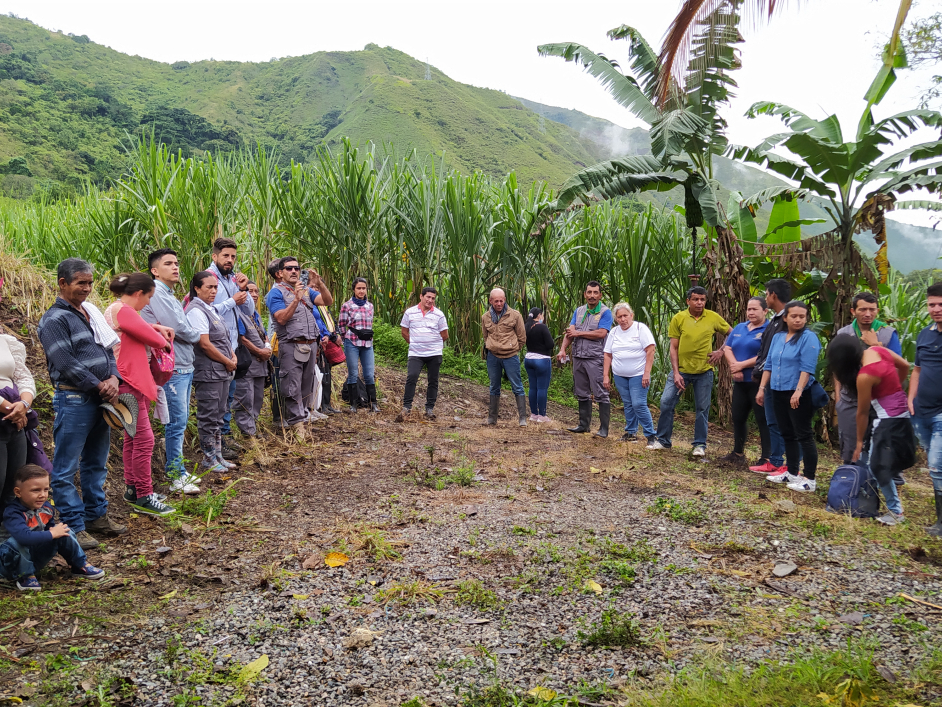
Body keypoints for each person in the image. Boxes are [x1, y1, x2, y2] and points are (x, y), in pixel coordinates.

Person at [37, 258, 127, 551]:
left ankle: (96, 516)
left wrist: (113, 377)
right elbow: (64, 362)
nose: (87, 289)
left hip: (100, 398)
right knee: (65, 469)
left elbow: (108, 348)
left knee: (96, 463)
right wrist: (100, 385)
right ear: (63, 284)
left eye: (90, 283)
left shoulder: (88, 313)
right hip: (75, 398)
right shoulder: (55, 319)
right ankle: (74, 525)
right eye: (81, 283)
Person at [104, 274, 176, 516]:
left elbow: (143, 328)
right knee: (144, 440)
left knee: (133, 439)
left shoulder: (119, 310)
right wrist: (161, 337)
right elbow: (154, 339)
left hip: (130, 382)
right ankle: (145, 495)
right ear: (138, 293)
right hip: (128, 382)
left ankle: (133, 489)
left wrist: (154, 327)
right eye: (148, 297)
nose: (148, 303)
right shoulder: (123, 310)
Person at [828, 336, 909, 525]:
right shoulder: (878, 350)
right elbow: (905, 366)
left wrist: (858, 441)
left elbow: (862, 413)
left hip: (886, 418)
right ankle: (867, 499)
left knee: (876, 464)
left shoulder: (865, 376)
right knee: (875, 461)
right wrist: (895, 388)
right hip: (901, 414)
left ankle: (896, 511)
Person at [141, 248, 202, 495]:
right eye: (168, 263)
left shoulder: (169, 294)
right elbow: (177, 327)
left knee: (181, 420)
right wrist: (198, 334)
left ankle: (179, 469)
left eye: (177, 263)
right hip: (172, 367)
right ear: (155, 271)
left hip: (183, 364)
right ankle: (175, 473)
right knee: (176, 421)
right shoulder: (156, 293)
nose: (175, 267)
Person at [650, 286, 731, 456]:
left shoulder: (713, 317)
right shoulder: (679, 318)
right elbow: (673, 347)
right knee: (666, 403)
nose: (699, 302)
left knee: (702, 408)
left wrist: (721, 350)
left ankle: (699, 445)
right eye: (695, 299)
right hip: (681, 371)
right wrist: (676, 372)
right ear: (688, 301)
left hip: (704, 372)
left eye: (702, 299)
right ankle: (663, 440)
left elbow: (733, 333)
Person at [834, 292, 904, 483]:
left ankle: (886, 486)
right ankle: (852, 484)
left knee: (882, 444)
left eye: (872, 309)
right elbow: (837, 367)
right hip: (850, 398)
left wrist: (876, 345)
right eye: (862, 309)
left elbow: (898, 366)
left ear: (877, 311)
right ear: (853, 311)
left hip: (880, 399)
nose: (867, 314)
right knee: (851, 445)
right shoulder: (844, 334)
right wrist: (839, 398)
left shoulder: (887, 333)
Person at [0, 465, 105, 591]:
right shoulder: (13, 513)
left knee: (64, 531)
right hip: (9, 564)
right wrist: (52, 534)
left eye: (45, 489)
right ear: (18, 492)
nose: (42, 495)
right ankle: (25, 576)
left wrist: (55, 533)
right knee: (17, 543)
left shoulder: (47, 508)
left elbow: (50, 531)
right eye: (35, 490)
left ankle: (80, 565)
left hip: (34, 557)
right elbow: (24, 538)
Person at [755, 301, 822, 492]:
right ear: (785, 317)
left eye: (802, 316)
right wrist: (762, 388)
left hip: (798, 394)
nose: (798, 319)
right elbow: (769, 364)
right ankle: (792, 472)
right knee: (787, 434)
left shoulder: (808, 338)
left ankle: (809, 479)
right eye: (794, 316)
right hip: (777, 391)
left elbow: (807, 368)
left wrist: (799, 391)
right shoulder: (778, 337)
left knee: (804, 435)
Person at [266, 258, 334, 426]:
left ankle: (302, 418)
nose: (294, 271)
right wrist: (296, 299)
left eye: (296, 268)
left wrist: (320, 284)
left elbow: (327, 301)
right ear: (280, 273)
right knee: (292, 386)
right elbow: (281, 318)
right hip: (291, 345)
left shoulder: (307, 291)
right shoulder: (275, 293)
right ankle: (296, 425)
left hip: (311, 344)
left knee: (306, 385)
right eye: (289, 268)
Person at [207, 238, 255, 460]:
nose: (230, 260)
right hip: (215, 347)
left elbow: (249, 309)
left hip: (233, 345)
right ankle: (214, 445)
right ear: (215, 256)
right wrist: (231, 301)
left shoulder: (232, 280)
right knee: (217, 399)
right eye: (225, 256)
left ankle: (225, 437)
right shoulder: (208, 279)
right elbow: (202, 311)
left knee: (229, 395)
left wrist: (243, 289)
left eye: (233, 256)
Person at [185, 271, 237, 472]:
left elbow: (223, 339)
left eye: (215, 287)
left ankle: (218, 455)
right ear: (197, 288)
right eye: (209, 287)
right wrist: (227, 361)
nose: (213, 291)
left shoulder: (211, 309)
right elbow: (205, 344)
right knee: (208, 415)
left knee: (219, 414)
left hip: (222, 371)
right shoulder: (196, 310)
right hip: (208, 372)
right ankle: (208, 458)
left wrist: (232, 355)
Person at [719, 296, 770, 467]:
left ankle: (766, 457)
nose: (751, 312)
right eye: (749, 309)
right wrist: (734, 366)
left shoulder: (768, 329)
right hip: (740, 382)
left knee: (763, 419)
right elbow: (727, 347)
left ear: (765, 311)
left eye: (755, 309)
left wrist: (741, 365)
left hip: (758, 382)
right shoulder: (740, 327)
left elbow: (766, 355)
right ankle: (738, 452)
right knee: (738, 417)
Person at [558, 282, 613, 437]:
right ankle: (583, 425)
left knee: (600, 392)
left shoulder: (605, 312)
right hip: (578, 356)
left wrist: (578, 333)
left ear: (600, 295)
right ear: (585, 294)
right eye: (589, 292)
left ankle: (603, 429)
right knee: (581, 391)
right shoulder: (579, 311)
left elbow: (602, 333)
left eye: (595, 292)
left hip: (595, 357)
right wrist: (562, 349)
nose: (592, 296)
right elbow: (570, 332)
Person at [749, 279, 792, 474]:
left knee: (783, 422)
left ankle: (787, 463)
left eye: (766, 294)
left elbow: (779, 354)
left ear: (773, 295)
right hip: (768, 379)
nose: (766, 297)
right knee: (772, 421)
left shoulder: (787, 320)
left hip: (781, 380)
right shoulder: (775, 320)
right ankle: (775, 460)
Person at [909, 282, 942, 536]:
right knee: (936, 467)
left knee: (935, 465)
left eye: (941, 304)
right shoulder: (925, 334)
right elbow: (917, 370)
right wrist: (911, 399)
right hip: (922, 410)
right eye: (932, 304)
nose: (936, 309)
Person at [602, 303, 656, 443]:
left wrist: (646, 373)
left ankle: (651, 435)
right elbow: (608, 354)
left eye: (625, 315)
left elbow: (650, 350)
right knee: (628, 403)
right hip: (620, 374)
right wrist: (606, 375)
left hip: (638, 373)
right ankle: (631, 433)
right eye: (619, 317)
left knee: (638, 403)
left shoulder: (640, 328)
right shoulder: (614, 332)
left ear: (631, 315)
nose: (623, 319)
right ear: (616, 318)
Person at [398, 287, 449, 421]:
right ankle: (406, 408)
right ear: (421, 296)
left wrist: (432, 343)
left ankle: (429, 409)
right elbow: (404, 332)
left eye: (433, 298)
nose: (430, 300)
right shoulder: (410, 313)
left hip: (434, 353)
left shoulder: (439, 315)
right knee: (412, 377)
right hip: (416, 353)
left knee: (433, 380)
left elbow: (445, 335)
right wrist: (415, 342)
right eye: (428, 297)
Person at [481, 288, 527, 427]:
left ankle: (522, 419)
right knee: (494, 386)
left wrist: (512, 348)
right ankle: (492, 418)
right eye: (496, 301)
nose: (499, 303)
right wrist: (491, 347)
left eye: (501, 300)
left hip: (510, 356)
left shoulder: (515, 315)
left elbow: (522, 337)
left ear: (505, 300)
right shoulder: (485, 317)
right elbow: (485, 335)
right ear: (490, 301)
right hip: (493, 356)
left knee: (517, 386)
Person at [0, 330, 36, 503]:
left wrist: (24, 404)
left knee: (14, 484)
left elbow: (23, 376)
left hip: (14, 420)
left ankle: (8, 529)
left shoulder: (6, 341)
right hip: (11, 413)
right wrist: (9, 409)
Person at [234, 281, 272, 437]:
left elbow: (263, 335)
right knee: (246, 397)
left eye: (256, 291)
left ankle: (253, 428)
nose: (254, 294)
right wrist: (258, 351)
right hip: (248, 364)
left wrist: (267, 346)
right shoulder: (238, 313)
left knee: (257, 397)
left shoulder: (255, 314)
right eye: (250, 291)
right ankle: (247, 432)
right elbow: (241, 338)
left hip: (260, 365)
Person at [338, 278, 379, 414]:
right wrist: (345, 339)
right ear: (354, 290)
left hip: (367, 343)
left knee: (369, 374)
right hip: (352, 342)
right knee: (353, 373)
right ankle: (353, 404)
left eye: (364, 288)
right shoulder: (347, 305)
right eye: (359, 288)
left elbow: (370, 323)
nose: (361, 291)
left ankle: (373, 404)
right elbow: (342, 325)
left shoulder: (370, 306)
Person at [524, 307, 554, 422]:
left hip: (529, 359)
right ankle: (542, 415)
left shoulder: (527, 327)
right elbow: (550, 344)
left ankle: (533, 414)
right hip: (542, 359)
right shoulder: (542, 327)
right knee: (542, 388)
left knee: (533, 387)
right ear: (540, 315)